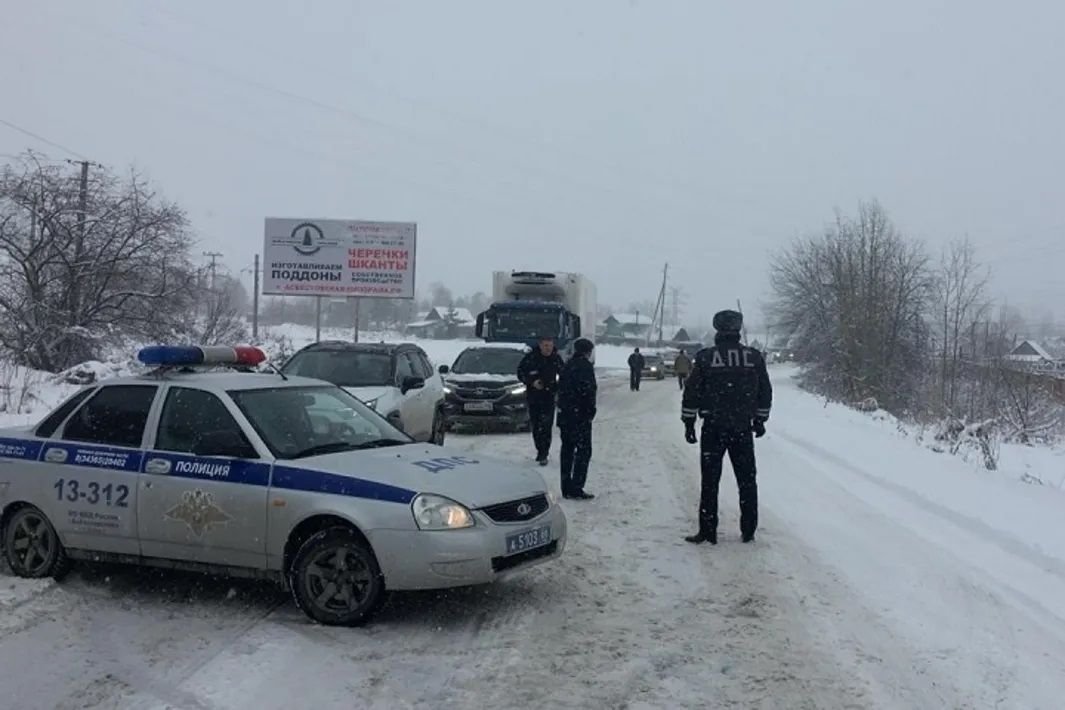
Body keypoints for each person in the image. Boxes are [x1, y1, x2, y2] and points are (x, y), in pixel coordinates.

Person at [681, 310, 772, 545]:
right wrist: (760, 420)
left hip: (713, 427)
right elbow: (765, 391)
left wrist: (689, 423)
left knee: (710, 481)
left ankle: (708, 531)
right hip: (742, 428)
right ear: (738, 330)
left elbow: (691, 393)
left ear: (717, 330)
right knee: (747, 481)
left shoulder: (705, 357)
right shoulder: (753, 357)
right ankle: (749, 529)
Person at [557, 338, 597, 499]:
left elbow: (560, 390)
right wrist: (589, 413)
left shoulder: (567, 366)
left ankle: (566, 487)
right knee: (583, 451)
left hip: (565, 415)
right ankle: (577, 487)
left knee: (567, 450)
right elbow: (588, 392)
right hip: (580, 417)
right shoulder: (586, 367)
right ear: (588, 351)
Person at [517, 335, 565, 465]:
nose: (548, 348)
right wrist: (532, 381)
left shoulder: (556, 359)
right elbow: (520, 372)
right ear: (540, 345)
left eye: (550, 345)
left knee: (546, 426)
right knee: (536, 425)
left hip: (549, 397)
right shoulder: (531, 358)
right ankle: (539, 448)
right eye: (545, 345)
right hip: (534, 397)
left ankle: (544, 453)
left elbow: (564, 374)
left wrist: (559, 387)